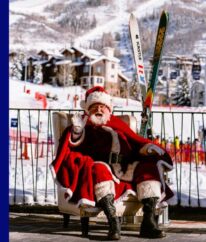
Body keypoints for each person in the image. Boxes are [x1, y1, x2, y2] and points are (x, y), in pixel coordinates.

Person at [52, 86, 174, 240]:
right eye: (95, 106)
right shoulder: (82, 125)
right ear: (88, 109)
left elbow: (134, 141)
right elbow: (71, 146)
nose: (99, 109)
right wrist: (76, 133)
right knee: (99, 169)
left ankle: (148, 223)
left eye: (103, 106)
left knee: (148, 167)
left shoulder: (117, 123)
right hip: (101, 169)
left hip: (126, 168)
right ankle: (113, 223)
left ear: (109, 109)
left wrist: (146, 148)